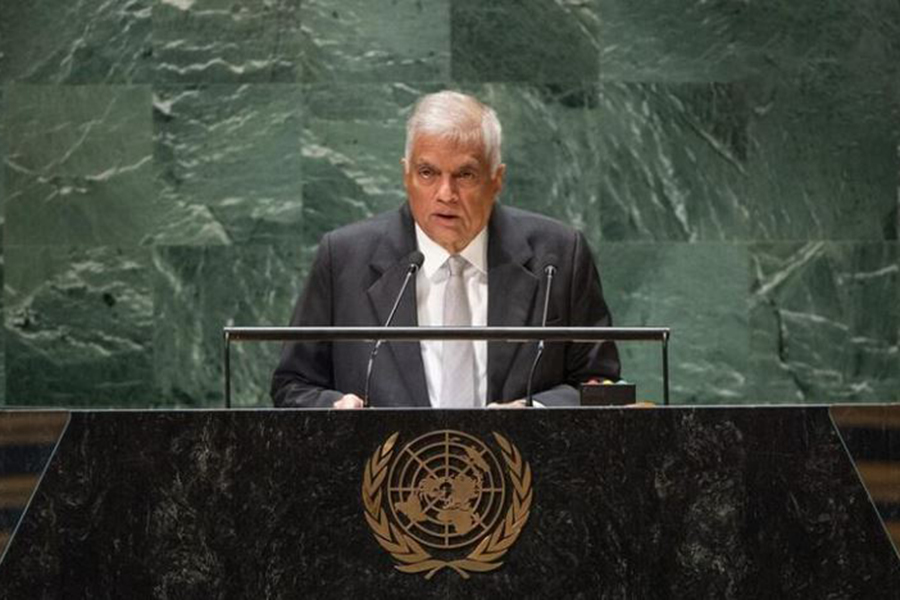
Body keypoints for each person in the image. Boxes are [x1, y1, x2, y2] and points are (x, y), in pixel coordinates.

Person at [271, 91, 620, 409]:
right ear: (406, 175)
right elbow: (293, 385)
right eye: (428, 173)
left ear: (497, 179)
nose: (445, 194)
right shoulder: (345, 258)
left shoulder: (558, 256)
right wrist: (335, 407)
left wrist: (535, 414)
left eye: (465, 175)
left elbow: (602, 384)